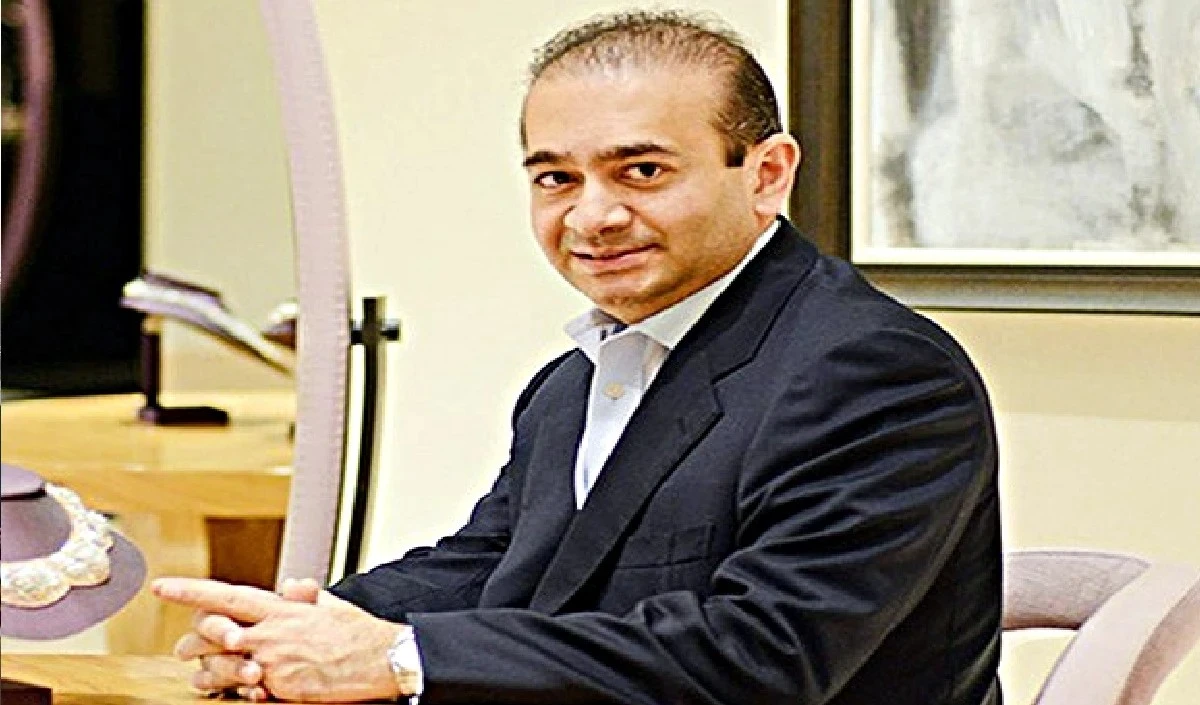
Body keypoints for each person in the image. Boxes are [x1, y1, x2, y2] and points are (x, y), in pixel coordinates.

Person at [154, 9, 1002, 704]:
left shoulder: (879, 374)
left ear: (767, 173)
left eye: (642, 171)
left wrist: (399, 657)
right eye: (556, 178)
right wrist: (298, 626)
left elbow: (764, 656)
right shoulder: (574, 380)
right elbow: (492, 564)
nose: (592, 216)